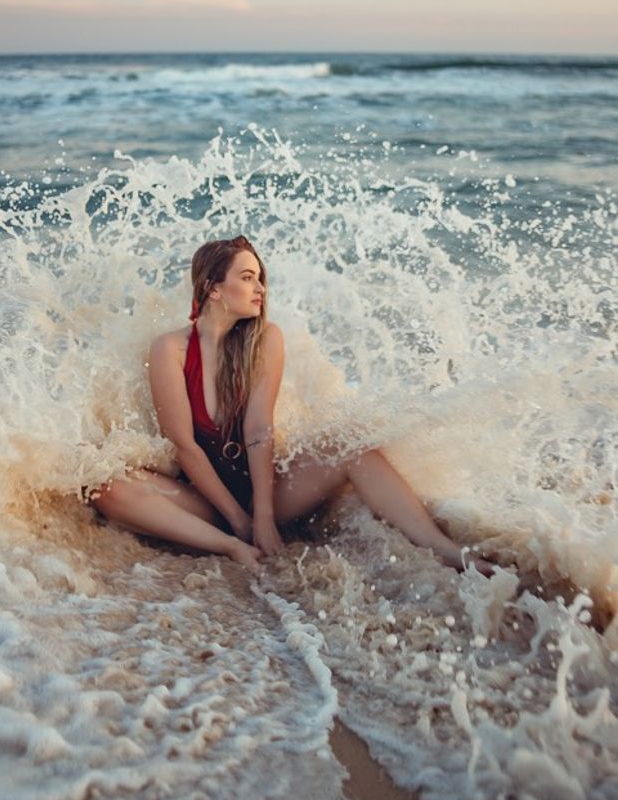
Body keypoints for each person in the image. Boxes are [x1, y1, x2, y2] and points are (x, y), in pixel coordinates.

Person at [89, 236, 495, 577]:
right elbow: (185, 445)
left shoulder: (265, 339)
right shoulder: (171, 349)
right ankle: (229, 547)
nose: (260, 288)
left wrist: (262, 515)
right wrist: (238, 522)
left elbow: (259, 430)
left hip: (268, 491)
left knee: (354, 447)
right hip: (204, 502)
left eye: (260, 279)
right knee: (104, 485)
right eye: (247, 278)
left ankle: (447, 551)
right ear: (213, 287)